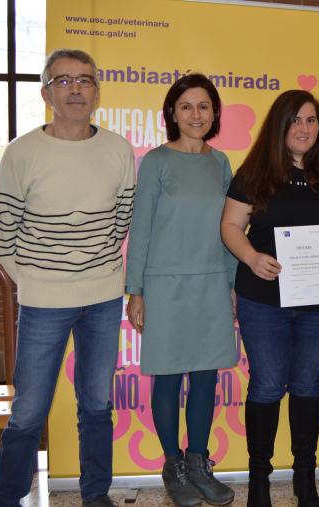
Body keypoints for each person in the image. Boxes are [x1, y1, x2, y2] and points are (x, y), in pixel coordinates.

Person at [0, 48, 135, 507]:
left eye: (85, 80)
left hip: (104, 297)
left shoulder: (117, 149)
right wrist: (34, 278)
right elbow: (1, 230)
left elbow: (121, 219)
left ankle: (96, 495)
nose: (75, 89)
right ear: (46, 93)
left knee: (96, 405)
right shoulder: (22, 151)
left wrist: (91, 268)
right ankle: (9, 498)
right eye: (64, 80)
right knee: (28, 411)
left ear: (97, 91)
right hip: (42, 301)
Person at [220, 89, 319, 507]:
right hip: (263, 300)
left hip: (317, 302)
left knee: (306, 385)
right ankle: (259, 480)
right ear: (280, 126)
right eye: (296, 121)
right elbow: (229, 225)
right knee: (265, 385)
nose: (305, 129)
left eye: (312, 120)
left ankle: (305, 477)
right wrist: (251, 256)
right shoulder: (254, 174)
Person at [124, 73, 236, 507]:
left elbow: (230, 228)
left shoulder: (220, 162)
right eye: (186, 106)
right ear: (172, 112)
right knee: (168, 379)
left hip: (210, 284)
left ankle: (198, 463)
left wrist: (230, 285)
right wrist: (136, 291)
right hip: (164, 286)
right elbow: (141, 228)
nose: (195, 114)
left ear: (214, 113)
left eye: (203, 106)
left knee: (206, 377)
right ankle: (172, 466)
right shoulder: (156, 162)